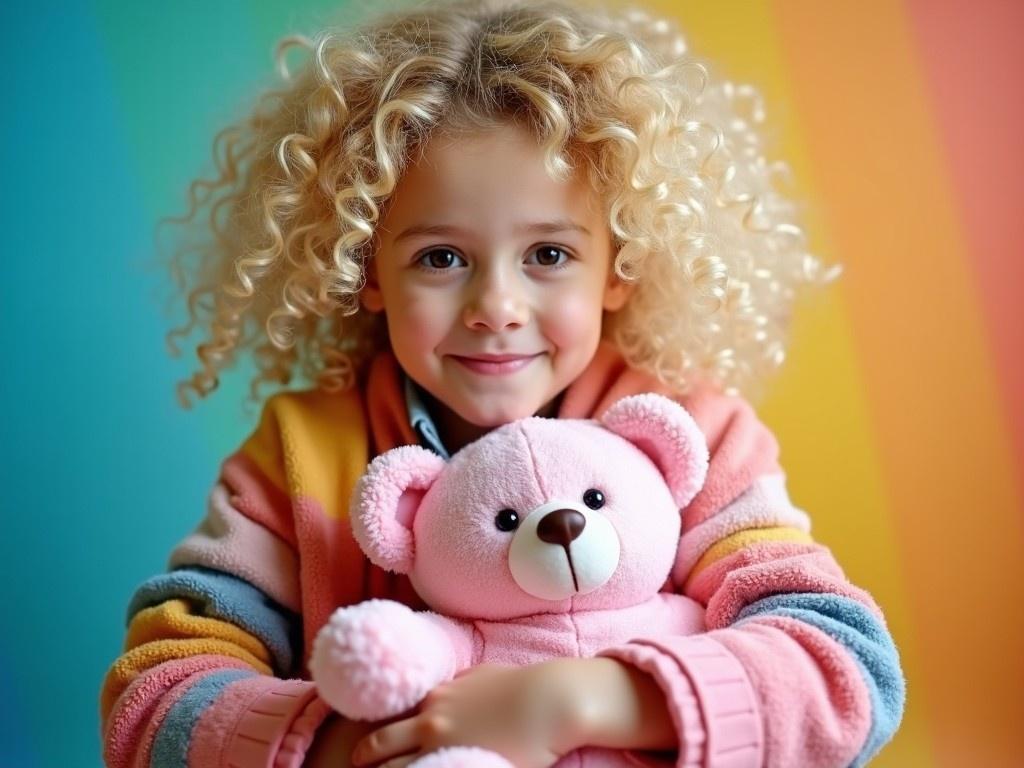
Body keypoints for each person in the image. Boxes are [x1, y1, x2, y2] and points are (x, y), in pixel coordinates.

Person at [100, 1, 905, 766]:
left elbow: (846, 673)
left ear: (617, 268)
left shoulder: (691, 435)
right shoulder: (302, 458)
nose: (496, 308)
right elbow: (151, 705)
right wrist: (347, 749)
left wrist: (577, 701)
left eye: (548, 255)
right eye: (440, 258)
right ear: (366, 268)